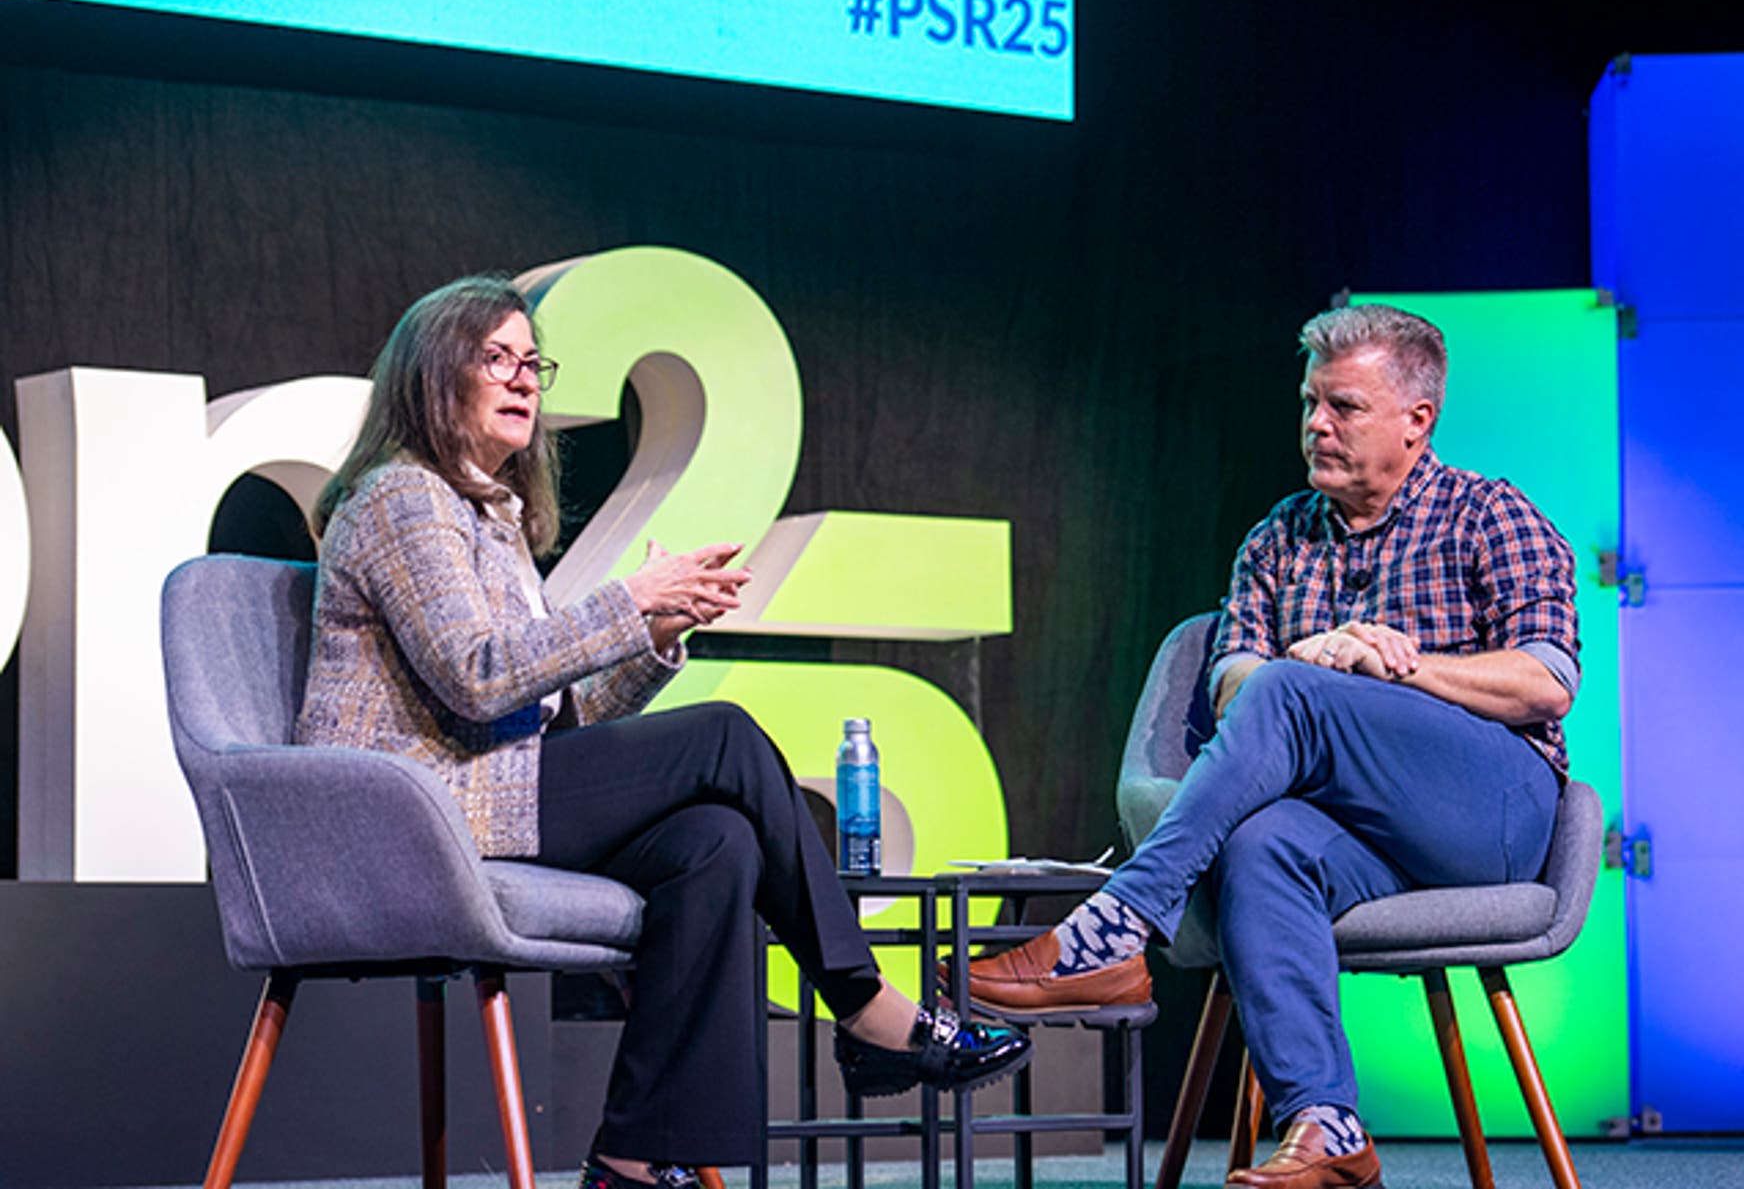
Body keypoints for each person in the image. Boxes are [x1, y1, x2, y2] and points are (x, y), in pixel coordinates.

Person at [294, 276, 1030, 1189]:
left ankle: (633, 1156)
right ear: (432, 376)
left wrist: (653, 634)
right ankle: (864, 1002)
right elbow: (480, 675)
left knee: (713, 843)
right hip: (417, 814)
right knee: (723, 736)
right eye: (497, 359)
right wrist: (625, 600)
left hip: (493, 784)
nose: (525, 379)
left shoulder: (492, 516)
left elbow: (555, 712)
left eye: (533, 362)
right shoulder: (402, 497)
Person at [963, 305, 1578, 1189]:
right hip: (1361, 838)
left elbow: (1547, 679)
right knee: (1262, 843)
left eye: (1344, 407)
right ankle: (1326, 1127)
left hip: (1493, 817)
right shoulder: (1277, 539)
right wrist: (1315, 662)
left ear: (1418, 421)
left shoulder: (1490, 513)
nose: (1317, 425)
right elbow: (1230, 686)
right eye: (1309, 403)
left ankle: (1116, 925)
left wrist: (1395, 668)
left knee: (1297, 688)